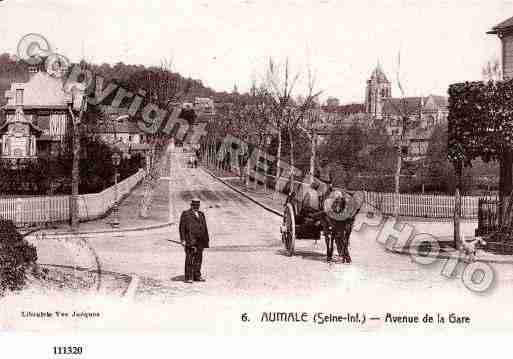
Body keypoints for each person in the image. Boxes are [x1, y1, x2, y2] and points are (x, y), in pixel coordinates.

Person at [179, 198, 210, 283]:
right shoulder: (186, 214)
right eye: (195, 205)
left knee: (198, 259)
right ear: (191, 205)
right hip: (190, 240)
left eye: (198, 205)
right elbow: (182, 228)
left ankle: (197, 276)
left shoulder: (201, 214)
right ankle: (188, 277)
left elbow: (204, 227)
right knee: (189, 258)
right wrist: (183, 240)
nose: (197, 207)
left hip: (200, 241)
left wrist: (206, 239)